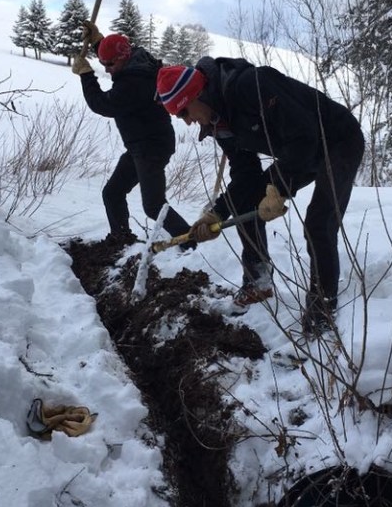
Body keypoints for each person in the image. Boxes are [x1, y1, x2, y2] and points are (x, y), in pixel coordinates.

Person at [155, 58, 364, 335]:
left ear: (195, 95)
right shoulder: (220, 122)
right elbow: (245, 174)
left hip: (338, 140)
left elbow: (304, 136)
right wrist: (216, 213)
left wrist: (275, 188)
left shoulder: (251, 85)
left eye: (183, 112)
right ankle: (258, 282)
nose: (189, 121)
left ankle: (321, 317)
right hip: (301, 153)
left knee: (318, 223)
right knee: (246, 204)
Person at [72, 24, 193, 248]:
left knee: (154, 205)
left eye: (109, 64)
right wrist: (99, 42)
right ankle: (121, 241)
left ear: (122, 59)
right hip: (141, 146)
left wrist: (87, 75)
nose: (107, 69)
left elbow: (103, 104)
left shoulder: (135, 82)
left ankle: (190, 242)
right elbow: (116, 55)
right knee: (112, 193)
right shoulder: (136, 61)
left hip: (151, 148)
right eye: (102, 64)